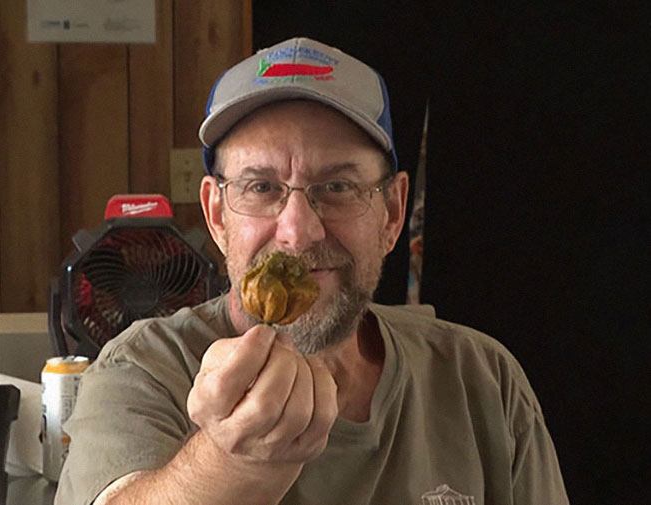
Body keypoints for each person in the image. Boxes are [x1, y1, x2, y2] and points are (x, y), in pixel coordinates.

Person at [55, 37, 569, 505]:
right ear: (216, 215)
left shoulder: (480, 378)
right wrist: (231, 463)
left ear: (392, 213)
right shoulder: (142, 370)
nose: (299, 232)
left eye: (338, 186)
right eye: (260, 188)